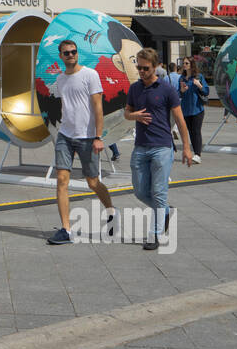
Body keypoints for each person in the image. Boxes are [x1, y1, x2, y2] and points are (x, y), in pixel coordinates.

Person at [46, 40, 118, 245]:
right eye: (66, 53)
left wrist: (98, 136)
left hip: (88, 137)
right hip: (65, 135)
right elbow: (65, 106)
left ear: (77, 53)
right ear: (60, 55)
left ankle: (111, 212)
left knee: (92, 182)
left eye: (73, 52)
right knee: (61, 180)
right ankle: (66, 230)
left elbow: (98, 107)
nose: (70, 55)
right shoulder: (60, 79)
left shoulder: (90, 75)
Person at [125, 48, 194, 250]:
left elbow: (180, 121)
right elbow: (126, 113)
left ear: (155, 67)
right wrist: (134, 116)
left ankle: (154, 235)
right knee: (139, 191)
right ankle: (165, 211)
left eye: (145, 68)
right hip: (141, 146)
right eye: (139, 67)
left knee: (158, 192)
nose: (142, 71)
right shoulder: (134, 89)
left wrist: (187, 148)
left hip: (162, 147)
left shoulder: (167, 89)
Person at [178, 58, 209, 162]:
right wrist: (182, 91)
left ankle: (197, 154)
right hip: (186, 109)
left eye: (186, 63)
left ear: (191, 64)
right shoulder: (182, 78)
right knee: (190, 132)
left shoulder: (198, 77)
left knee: (196, 131)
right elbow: (179, 93)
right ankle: (195, 153)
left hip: (197, 109)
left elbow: (206, 91)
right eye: (183, 63)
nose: (184, 65)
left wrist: (199, 85)